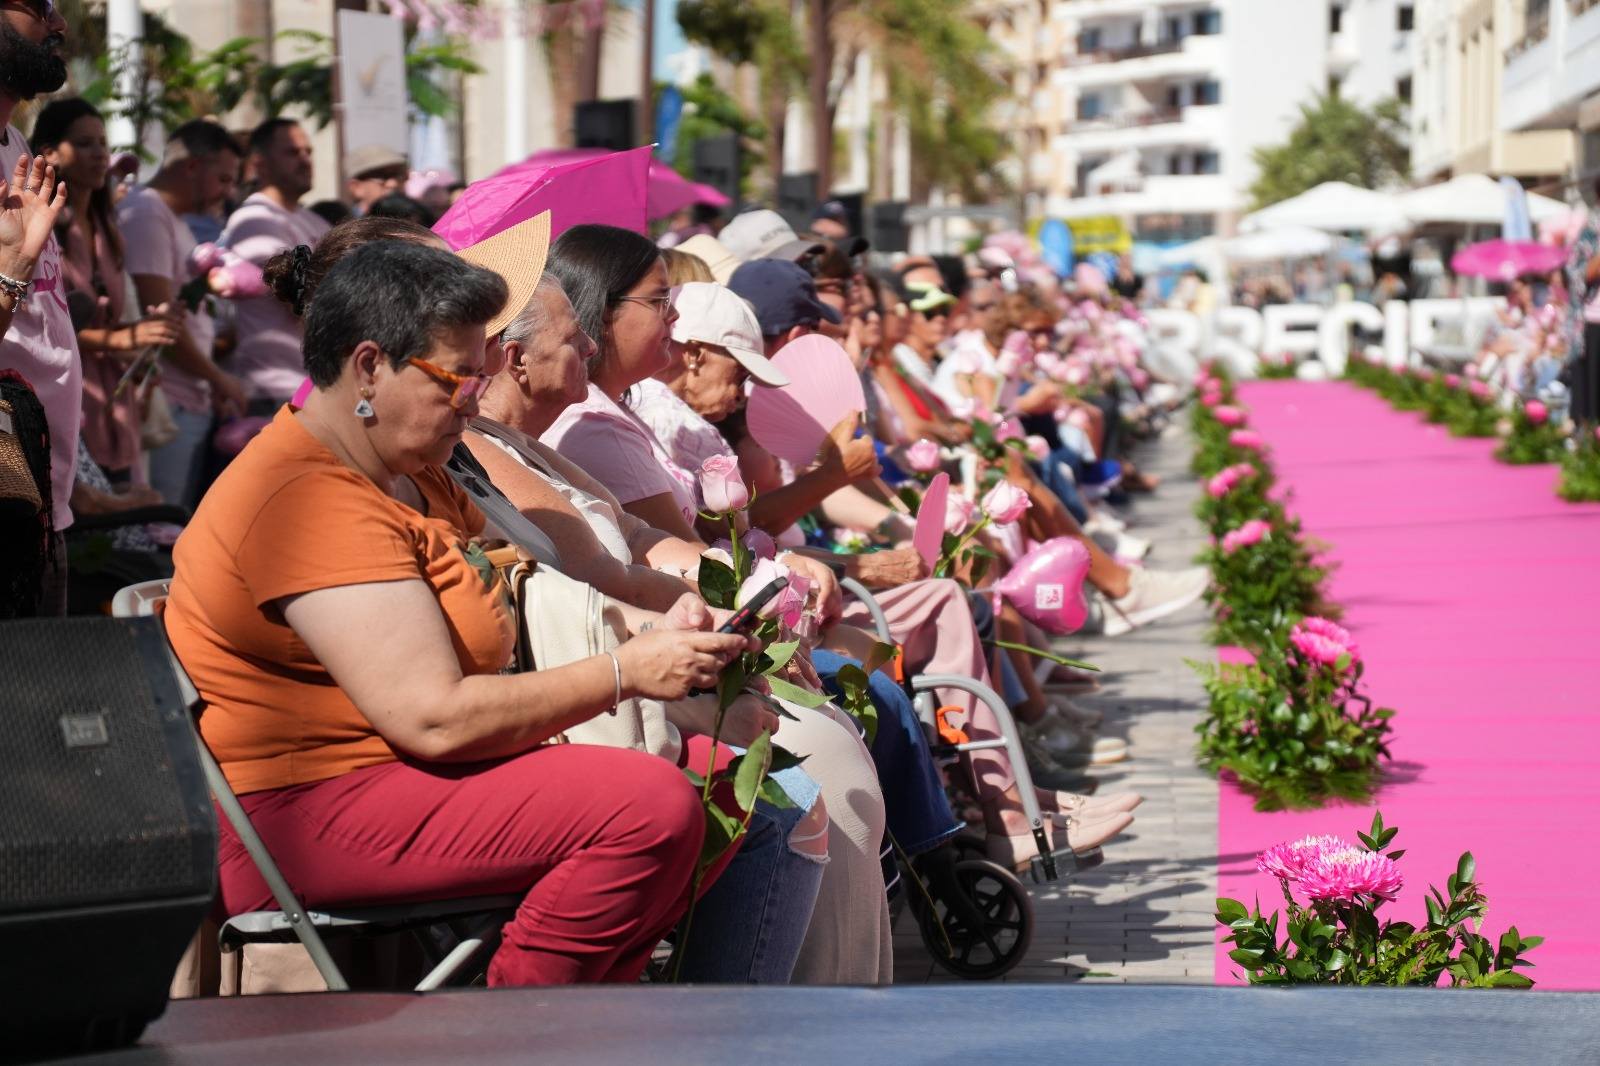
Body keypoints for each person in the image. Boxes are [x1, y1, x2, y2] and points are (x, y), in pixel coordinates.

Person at [165, 238, 754, 986]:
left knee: (720, 780)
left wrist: (656, 633)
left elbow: (522, 600)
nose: (475, 399)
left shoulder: (412, 469)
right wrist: (624, 670)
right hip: (304, 810)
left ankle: (586, 1013)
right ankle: (512, 1026)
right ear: (370, 366)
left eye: (478, 375)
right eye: (456, 377)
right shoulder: (309, 497)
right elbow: (434, 718)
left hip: (394, 779)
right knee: (649, 806)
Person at [31, 98, 180, 487]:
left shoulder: (106, 225)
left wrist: (146, 336)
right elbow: (39, 329)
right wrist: (122, 339)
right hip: (66, 395)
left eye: (102, 143)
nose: (100, 154)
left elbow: (112, 320)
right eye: (84, 143)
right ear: (50, 154)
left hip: (116, 398)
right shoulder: (37, 227)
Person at [118, 119, 246, 507]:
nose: (228, 191)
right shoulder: (146, 212)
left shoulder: (168, 217)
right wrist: (218, 378)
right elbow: (158, 321)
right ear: (192, 167)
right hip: (166, 400)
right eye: (223, 179)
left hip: (186, 397)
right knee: (163, 521)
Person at [0, 0, 78, 616]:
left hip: (41, 497)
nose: (59, 25)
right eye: (40, 5)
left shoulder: (16, 144)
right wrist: (12, 271)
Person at [219, 117, 330, 409]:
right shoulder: (255, 220)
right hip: (275, 390)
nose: (305, 160)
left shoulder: (312, 220)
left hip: (310, 386)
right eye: (292, 153)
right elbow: (298, 295)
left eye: (308, 152)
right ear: (259, 164)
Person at [343, 144, 408, 216]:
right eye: (383, 176)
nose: (393, 183)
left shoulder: (416, 220)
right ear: (356, 187)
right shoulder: (346, 225)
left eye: (397, 175)